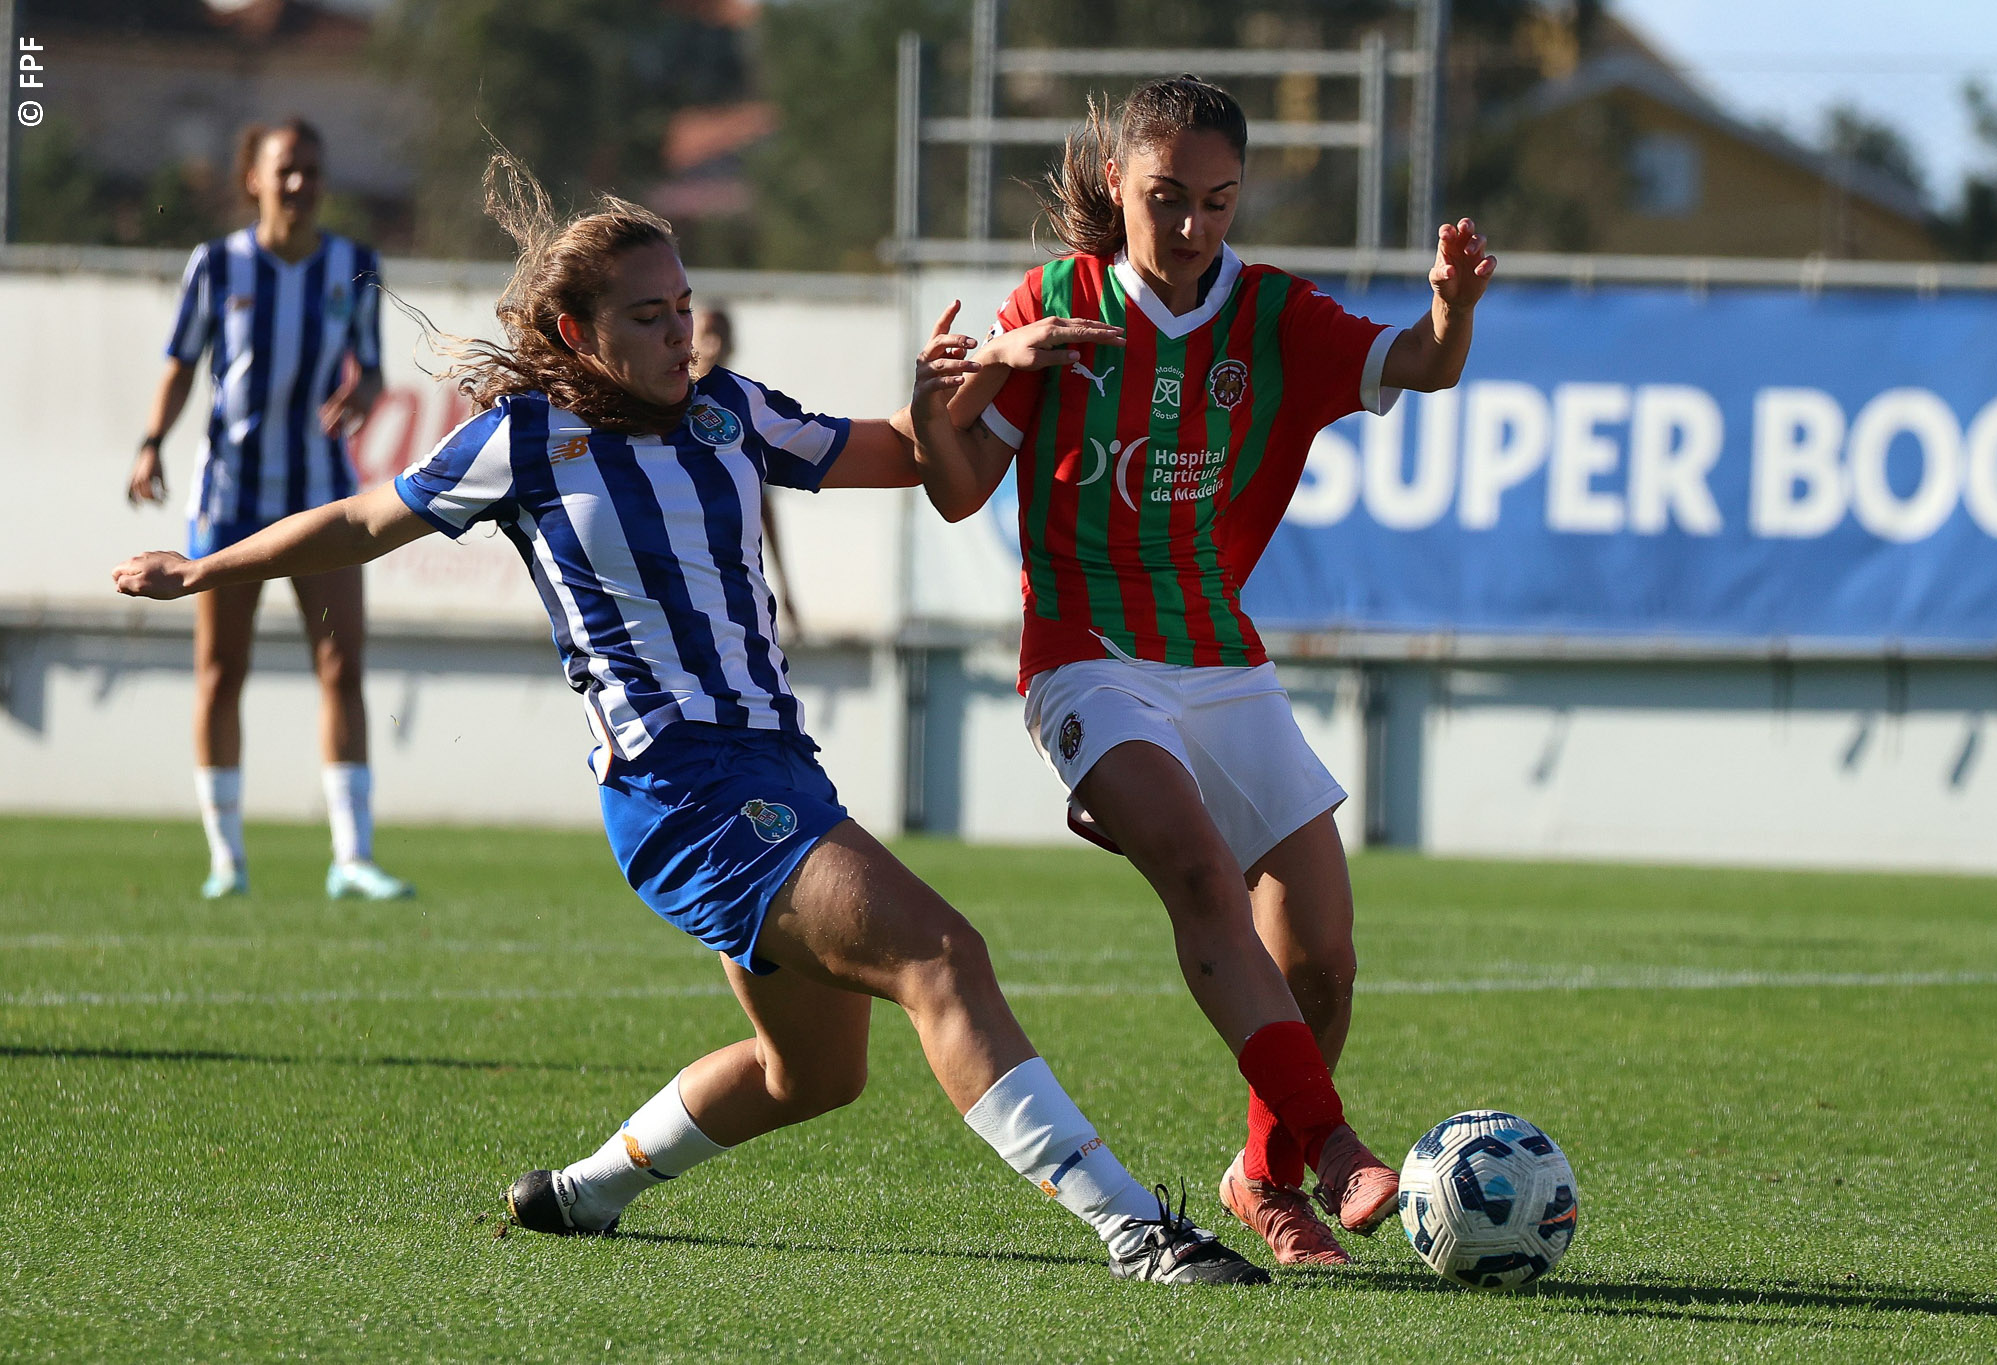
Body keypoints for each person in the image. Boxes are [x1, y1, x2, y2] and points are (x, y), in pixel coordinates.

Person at [111, 153, 1263, 1286]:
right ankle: (1136, 1231)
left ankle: (581, 1194)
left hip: (774, 773)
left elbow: (911, 458)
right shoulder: (524, 441)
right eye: (650, 316)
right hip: (680, 792)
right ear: (576, 335)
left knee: (809, 1078)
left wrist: (983, 368)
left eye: (686, 308)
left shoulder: (728, 414)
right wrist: (204, 570)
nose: (681, 336)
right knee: (942, 957)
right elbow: (364, 522)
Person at [910, 76, 1496, 1268]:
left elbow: (1423, 367)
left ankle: (1260, 1178)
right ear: (1117, 183)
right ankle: (1334, 1150)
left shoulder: (1271, 316)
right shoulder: (1057, 302)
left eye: (1216, 202)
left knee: (1322, 959)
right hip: (1081, 654)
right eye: (1164, 198)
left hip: (1216, 652)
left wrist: (1449, 309)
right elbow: (959, 487)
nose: (1189, 229)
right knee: (1196, 876)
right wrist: (939, 407)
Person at [126, 116, 411, 901]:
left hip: (322, 491)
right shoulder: (217, 265)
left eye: (312, 169)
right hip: (231, 494)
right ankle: (227, 857)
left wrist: (364, 395)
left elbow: (377, 372)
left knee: (340, 663)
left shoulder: (355, 265)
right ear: (254, 177)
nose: (300, 183)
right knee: (222, 671)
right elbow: (181, 362)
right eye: (286, 169)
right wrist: (152, 441)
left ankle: (352, 855)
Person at [690, 305, 801, 640]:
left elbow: (764, 507)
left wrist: (785, 585)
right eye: (707, 334)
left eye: (721, 335)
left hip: (726, 571)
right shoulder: (666, 407)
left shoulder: (743, 412)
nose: (714, 344)